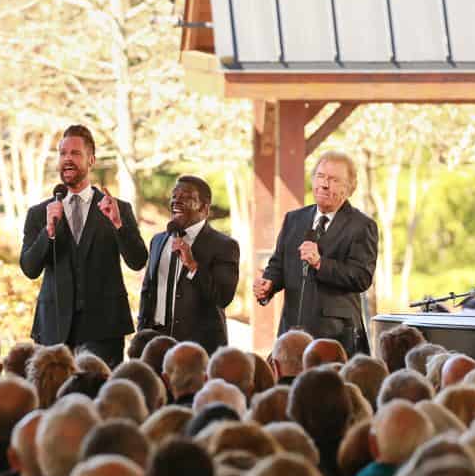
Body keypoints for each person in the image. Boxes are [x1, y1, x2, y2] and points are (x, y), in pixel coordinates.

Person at [20, 124, 147, 367]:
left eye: (75, 153)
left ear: (91, 160)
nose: (67, 159)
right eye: (62, 153)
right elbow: (29, 268)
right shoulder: (39, 213)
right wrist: (48, 232)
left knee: (100, 401)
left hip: (104, 330)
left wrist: (119, 225)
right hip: (53, 329)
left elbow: (138, 260)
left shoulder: (117, 208)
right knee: (53, 402)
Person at [254, 151, 378, 357]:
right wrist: (268, 284)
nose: (324, 184)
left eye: (334, 179)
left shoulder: (362, 226)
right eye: (320, 176)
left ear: (350, 188)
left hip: (336, 337)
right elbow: (278, 265)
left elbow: (362, 277)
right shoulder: (294, 219)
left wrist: (321, 263)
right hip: (291, 332)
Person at [138, 175, 239, 354]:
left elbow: (223, 297)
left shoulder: (224, 245)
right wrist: (142, 335)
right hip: (155, 342)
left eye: (185, 197)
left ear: (204, 208)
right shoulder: (158, 241)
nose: (176, 201)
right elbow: (147, 292)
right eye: (174, 196)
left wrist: (193, 265)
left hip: (199, 347)